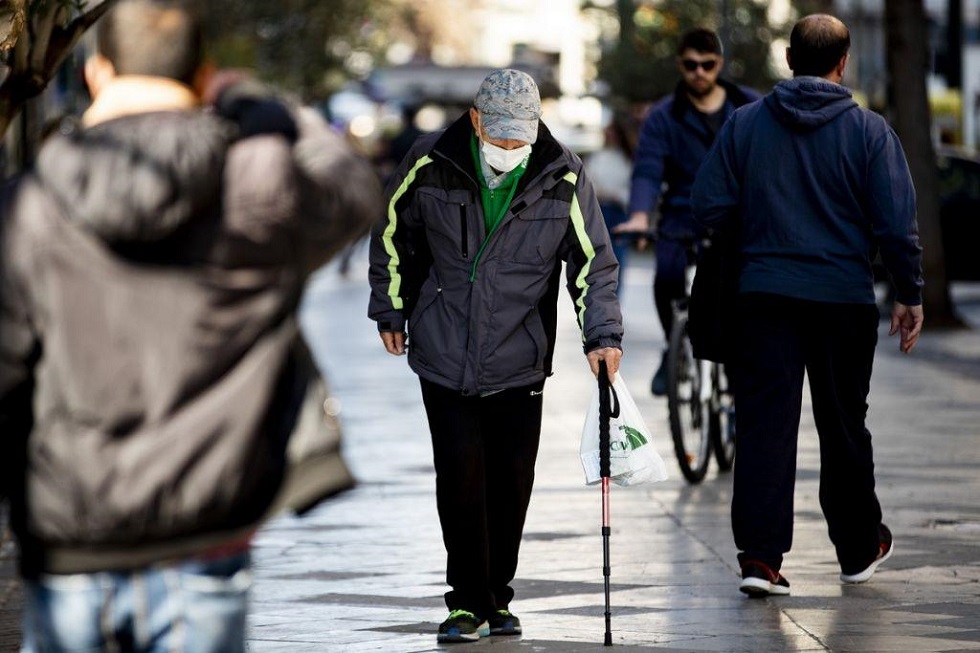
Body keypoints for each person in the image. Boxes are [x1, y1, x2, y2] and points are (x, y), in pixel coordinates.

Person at [0, 0, 382, 649]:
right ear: (204, 77)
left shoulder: (33, 204)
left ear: (97, 74)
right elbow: (352, 189)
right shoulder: (254, 190)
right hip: (205, 536)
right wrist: (279, 117)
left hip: (71, 531)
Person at [367, 68, 623, 643]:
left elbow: (593, 261)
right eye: (501, 135)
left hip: (519, 353)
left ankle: (496, 597)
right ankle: (465, 603)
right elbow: (391, 233)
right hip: (444, 347)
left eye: (521, 136)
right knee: (460, 476)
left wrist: (602, 335)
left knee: (511, 482)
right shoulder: (430, 162)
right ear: (476, 120)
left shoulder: (561, 174)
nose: (511, 147)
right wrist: (392, 307)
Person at [691, 13, 924, 597]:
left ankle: (761, 560)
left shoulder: (744, 126)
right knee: (844, 424)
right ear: (842, 63)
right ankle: (857, 547)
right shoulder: (871, 133)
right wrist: (909, 293)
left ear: (789, 59)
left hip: (763, 298)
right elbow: (898, 226)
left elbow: (708, 205)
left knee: (764, 426)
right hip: (843, 300)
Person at [617, 28, 760, 395]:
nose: (700, 72)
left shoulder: (748, 106)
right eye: (692, 65)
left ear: (720, 64)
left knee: (740, 290)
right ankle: (674, 346)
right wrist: (639, 215)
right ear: (681, 65)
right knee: (666, 274)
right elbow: (648, 169)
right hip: (683, 214)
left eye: (708, 64)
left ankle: (734, 368)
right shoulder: (663, 116)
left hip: (736, 220)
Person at [583, 111, 637, 295]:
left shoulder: (628, 160)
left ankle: (614, 300)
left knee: (618, 258)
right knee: (597, 259)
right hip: (599, 212)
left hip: (620, 213)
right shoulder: (597, 157)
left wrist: (617, 195)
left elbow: (633, 189)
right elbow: (588, 185)